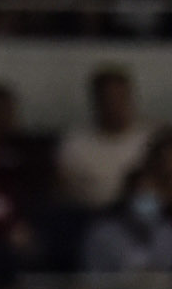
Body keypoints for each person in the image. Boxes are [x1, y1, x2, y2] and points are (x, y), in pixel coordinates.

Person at [55, 65, 152, 211]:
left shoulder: (152, 138)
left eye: (120, 97)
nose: (114, 105)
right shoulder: (74, 142)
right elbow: (61, 189)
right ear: (96, 101)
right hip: (89, 217)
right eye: (108, 98)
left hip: (141, 216)